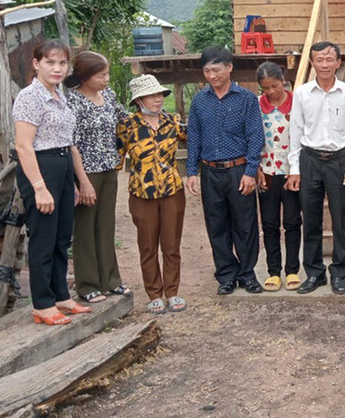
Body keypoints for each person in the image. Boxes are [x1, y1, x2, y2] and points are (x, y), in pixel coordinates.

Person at [13, 40, 95, 325]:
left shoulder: (60, 96)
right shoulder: (29, 97)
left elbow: (68, 143)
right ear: (36, 64)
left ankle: (61, 295)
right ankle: (42, 303)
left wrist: (76, 181)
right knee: (44, 238)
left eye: (62, 63)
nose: (57, 68)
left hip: (62, 165)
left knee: (61, 237)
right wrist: (39, 187)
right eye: (50, 62)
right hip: (41, 167)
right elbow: (23, 146)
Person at [186, 46, 265, 295]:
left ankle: (247, 274)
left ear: (229, 67)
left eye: (216, 70)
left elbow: (255, 135)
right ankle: (226, 275)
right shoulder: (199, 100)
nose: (212, 76)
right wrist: (192, 171)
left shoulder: (246, 99)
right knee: (216, 224)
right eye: (207, 71)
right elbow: (194, 137)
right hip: (210, 171)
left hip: (238, 170)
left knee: (245, 224)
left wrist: (251, 171)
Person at [287, 41, 345, 295]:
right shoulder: (302, 93)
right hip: (309, 160)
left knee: (341, 220)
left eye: (330, 59)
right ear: (312, 63)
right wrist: (294, 169)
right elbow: (296, 131)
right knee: (311, 219)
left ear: (338, 62)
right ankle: (314, 273)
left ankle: (340, 272)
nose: (324, 64)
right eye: (319, 59)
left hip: (339, 160)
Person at [118, 74, 188, 313]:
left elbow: (194, 141)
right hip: (142, 193)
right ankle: (154, 294)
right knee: (147, 246)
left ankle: (172, 292)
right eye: (151, 95)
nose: (158, 99)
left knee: (171, 245)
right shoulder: (127, 125)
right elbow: (116, 158)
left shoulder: (173, 121)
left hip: (172, 190)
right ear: (139, 100)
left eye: (160, 94)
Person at [64, 51, 130, 304]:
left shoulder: (108, 95)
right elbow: (72, 144)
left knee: (106, 225)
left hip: (109, 169)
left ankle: (111, 280)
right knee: (85, 228)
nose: (106, 79)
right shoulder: (74, 102)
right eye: (101, 75)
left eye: (107, 74)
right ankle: (88, 284)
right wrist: (82, 182)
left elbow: (126, 120)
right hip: (86, 172)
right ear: (85, 76)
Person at [255, 62, 302, 292]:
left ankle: (292, 269)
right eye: (265, 88)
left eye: (275, 85)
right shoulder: (256, 106)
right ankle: (273, 271)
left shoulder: (297, 104)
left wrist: (297, 170)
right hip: (266, 173)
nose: (271, 92)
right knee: (269, 224)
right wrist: (256, 168)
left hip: (292, 172)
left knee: (292, 222)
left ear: (283, 80)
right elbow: (251, 137)